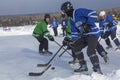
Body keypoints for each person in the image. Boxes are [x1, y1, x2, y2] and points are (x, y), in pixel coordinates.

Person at [61, 1, 103, 74]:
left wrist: (88, 24)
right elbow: (75, 33)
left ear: (66, 10)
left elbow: (93, 13)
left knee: (90, 51)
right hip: (84, 36)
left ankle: (97, 69)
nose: (63, 14)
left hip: (92, 33)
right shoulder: (71, 20)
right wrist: (69, 40)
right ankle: (83, 66)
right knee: (75, 47)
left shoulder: (79, 11)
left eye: (63, 12)